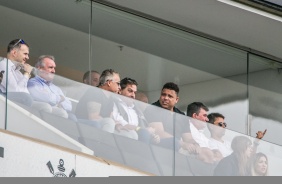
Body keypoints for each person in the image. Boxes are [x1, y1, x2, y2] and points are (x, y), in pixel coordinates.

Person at [0, 39, 52, 113]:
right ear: (14, 53)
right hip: (8, 105)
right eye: (25, 54)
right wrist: (27, 73)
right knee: (45, 107)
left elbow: (26, 92)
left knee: (55, 109)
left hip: (24, 102)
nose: (27, 57)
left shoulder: (18, 72)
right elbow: (16, 92)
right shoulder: (3, 65)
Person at [112, 77, 160, 143]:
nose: (133, 95)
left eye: (134, 93)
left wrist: (153, 136)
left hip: (139, 138)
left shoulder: (137, 109)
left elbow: (145, 127)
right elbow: (122, 124)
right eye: (130, 91)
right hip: (123, 137)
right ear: (120, 90)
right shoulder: (115, 103)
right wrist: (142, 130)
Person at [144, 82, 190, 151]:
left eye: (170, 96)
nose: (165, 98)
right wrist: (181, 144)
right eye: (163, 95)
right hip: (157, 149)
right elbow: (159, 132)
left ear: (176, 100)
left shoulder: (181, 115)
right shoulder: (153, 108)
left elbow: (188, 138)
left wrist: (195, 145)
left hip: (176, 152)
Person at [27, 55, 73, 119]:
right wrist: (60, 99)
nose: (53, 71)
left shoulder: (56, 88)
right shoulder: (32, 82)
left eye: (54, 68)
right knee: (48, 107)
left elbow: (69, 106)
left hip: (54, 115)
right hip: (35, 117)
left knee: (70, 116)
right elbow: (45, 98)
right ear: (39, 68)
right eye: (50, 67)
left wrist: (53, 99)